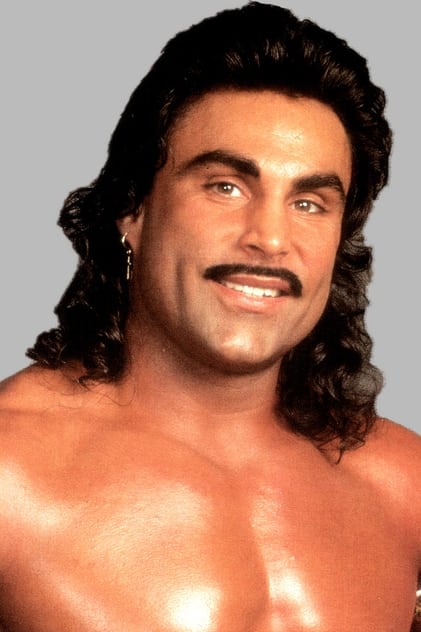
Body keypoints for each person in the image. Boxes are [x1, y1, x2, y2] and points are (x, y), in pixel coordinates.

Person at [0, 2, 420, 630]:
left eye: (309, 202)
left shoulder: (403, 483)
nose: (270, 239)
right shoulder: (9, 473)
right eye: (226, 186)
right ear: (133, 209)